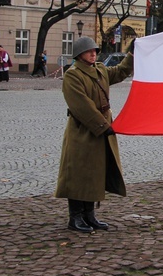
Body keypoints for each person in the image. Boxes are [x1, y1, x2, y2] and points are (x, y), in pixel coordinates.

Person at [55, 37, 134, 233]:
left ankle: (89, 215)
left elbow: (120, 72)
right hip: (83, 131)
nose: (93, 54)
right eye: (89, 51)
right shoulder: (73, 76)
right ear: (79, 54)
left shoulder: (100, 70)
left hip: (101, 128)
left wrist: (132, 54)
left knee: (95, 172)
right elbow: (82, 106)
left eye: (95, 50)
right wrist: (102, 125)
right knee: (79, 172)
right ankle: (75, 217)